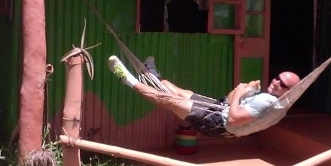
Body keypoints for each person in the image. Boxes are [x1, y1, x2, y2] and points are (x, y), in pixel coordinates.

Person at [108, 55, 301, 136]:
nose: (276, 82)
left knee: (167, 99)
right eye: (277, 78)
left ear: (289, 91)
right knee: (182, 92)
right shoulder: (274, 101)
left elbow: (234, 119)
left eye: (282, 84)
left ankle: (126, 78)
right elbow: (231, 100)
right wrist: (245, 92)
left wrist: (241, 93)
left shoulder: (267, 101)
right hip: (219, 110)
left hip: (216, 121)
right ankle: (152, 74)